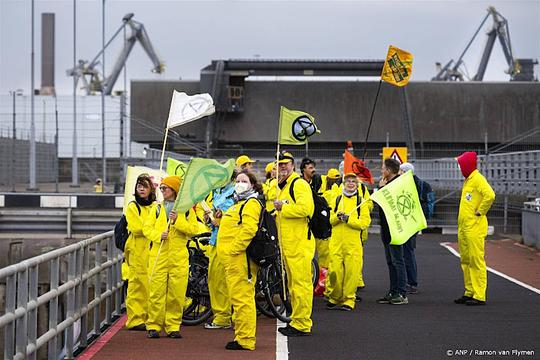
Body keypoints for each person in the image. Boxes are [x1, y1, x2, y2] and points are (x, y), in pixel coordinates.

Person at [143, 175, 200, 338]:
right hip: (158, 256)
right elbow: (147, 228)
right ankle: (153, 325)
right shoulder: (157, 208)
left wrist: (177, 222)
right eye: (161, 188)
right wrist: (158, 235)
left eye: (165, 188)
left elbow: (193, 229)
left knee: (177, 293)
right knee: (156, 292)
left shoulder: (185, 209)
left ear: (174, 189)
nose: (162, 191)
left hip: (178, 257)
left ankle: (173, 326)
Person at [216, 170, 263, 350]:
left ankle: (245, 339)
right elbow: (235, 226)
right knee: (238, 299)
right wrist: (218, 220)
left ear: (252, 184)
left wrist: (233, 250)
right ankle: (241, 335)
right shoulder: (239, 203)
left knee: (243, 299)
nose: (239, 183)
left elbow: (248, 230)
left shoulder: (251, 203)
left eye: (244, 181)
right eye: (237, 180)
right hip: (233, 260)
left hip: (240, 260)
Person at [274, 151, 315, 337]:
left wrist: (284, 207)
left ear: (293, 165)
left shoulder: (298, 184)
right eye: (280, 164)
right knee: (293, 286)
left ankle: (302, 324)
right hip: (288, 245)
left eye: (286, 164)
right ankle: (297, 320)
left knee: (301, 285)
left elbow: (306, 209)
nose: (283, 167)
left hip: (299, 244)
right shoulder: (282, 186)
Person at [454, 151, 495, 306]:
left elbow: (490, 195)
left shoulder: (477, 179)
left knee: (476, 260)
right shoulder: (468, 180)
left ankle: (479, 294)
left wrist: (481, 211)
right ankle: (469, 291)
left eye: (461, 165)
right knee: (465, 260)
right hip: (465, 227)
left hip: (474, 227)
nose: (459, 168)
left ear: (466, 165)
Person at [326, 173, 371, 311]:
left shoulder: (361, 202)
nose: (350, 183)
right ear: (344, 184)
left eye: (353, 181)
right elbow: (330, 220)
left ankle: (349, 299)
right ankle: (335, 297)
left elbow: (365, 223)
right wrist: (338, 218)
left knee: (352, 273)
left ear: (357, 184)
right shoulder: (338, 199)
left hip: (353, 243)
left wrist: (349, 220)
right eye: (348, 181)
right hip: (336, 242)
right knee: (334, 271)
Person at [203, 171, 237, 330]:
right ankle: (225, 315)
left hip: (228, 241)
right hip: (217, 240)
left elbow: (235, 218)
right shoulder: (219, 192)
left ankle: (224, 317)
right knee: (216, 280)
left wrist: (219, 220)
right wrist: (209, 219)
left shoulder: (233, 193)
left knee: (224, 281)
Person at [124, 174, 156, 330]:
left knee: (151, 285)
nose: (141, 189)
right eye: (139, 186)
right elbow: (136, 228)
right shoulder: (133, 206)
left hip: (152, 250)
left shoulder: (154, 206)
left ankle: (149, 317)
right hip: (137, 251)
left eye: (144, 186)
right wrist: (152, 229)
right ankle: (135, 319)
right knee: (137, 286)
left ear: (151, 189)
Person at [399, 162, 435, 295]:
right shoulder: (424, 185)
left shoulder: (402, 184)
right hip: (415, 222)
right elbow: (430, 203)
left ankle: (410, 282)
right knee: (408, 251)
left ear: (404, 172)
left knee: (405, 253)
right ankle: (410, 282)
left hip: (405, 222)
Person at [376, 158, 409, 305]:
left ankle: (401, 293)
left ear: (389, 171)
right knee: (391, 261)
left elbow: (390, 203)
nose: (381, 171)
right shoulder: (388, 183)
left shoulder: (398, 184)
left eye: (383, 168)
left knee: (398, 260)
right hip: (386, 227)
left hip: (395, 228)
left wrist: (382, 189)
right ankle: (393, 291)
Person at [300, 157, 329, 270]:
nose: (313, 170)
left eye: (314, 167)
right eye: (310, 168)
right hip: (305, 223)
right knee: (307, 253)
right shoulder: (299, 183)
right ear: (303, 169)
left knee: (323, 253)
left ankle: (320, 281)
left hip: (317, 222)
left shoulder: (318, 181)